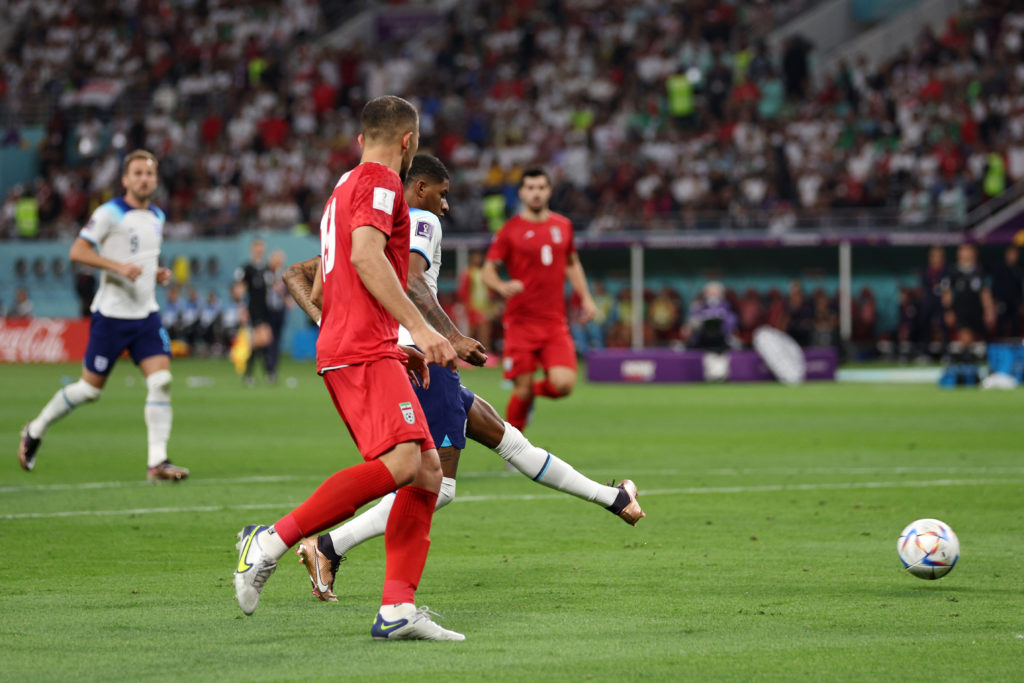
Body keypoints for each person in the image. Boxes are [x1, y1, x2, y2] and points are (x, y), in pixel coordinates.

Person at [282, 154, 645, 603]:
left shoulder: (369, 225)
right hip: (424, 359)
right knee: (439, 487)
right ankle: (328, 546)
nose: (446, 206)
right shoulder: (418, 222)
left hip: (404, 356)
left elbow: (296, 273)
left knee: (508, 440)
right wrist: (450, 337)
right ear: (419, 189)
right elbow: (414, 281)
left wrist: (326, 322)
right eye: (443, 193)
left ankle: (613, 499)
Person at [232, 96, 465, 641]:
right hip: (361, 346)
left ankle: (397, 609)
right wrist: (424, 331)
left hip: (362, 342)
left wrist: (395, 342)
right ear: (408, 142)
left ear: (362, 138)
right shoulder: (382, 183)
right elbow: (364, 258)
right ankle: (269, 540)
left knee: (427, 472)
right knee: (407, 463)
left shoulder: (343, 188)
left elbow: (331, 279)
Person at [17, 150, 188, 482]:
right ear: (125, 179)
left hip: (146, 316)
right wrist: (118, 268)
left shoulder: (157, 216)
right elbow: (78, 251)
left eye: (149, 173)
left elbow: (141, 258)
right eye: (137, 173)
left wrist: (157, 274)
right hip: (111, 316)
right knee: (89, 390)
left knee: (162, 381)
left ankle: (158, 463)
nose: (144, 178)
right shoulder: (109, 213)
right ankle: (35, 429)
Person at [481, 169, 598, 431]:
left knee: (564, 385)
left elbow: (572, 263)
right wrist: (501, 285)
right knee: (520, 390)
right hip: (520, 321)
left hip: (554, 322)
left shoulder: (563, 226)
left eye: (541, 187)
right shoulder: (510, 230)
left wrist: (587, 298)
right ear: (521, 193)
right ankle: (515, 449)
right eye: (530, 188)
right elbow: (487, 271)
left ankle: (530, 396)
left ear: (549, 191)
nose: (536, 193)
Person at [941, 243, 994, 360]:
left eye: (969, 250)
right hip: (961, 310)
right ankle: (966, 358)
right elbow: (947, 294)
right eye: (963, 250)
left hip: (977, 309)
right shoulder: (952, 271)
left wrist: (989, 310)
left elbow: (985, 292)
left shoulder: (980, 271)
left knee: (983, 337)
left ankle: (982, 359)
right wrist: (948, 310)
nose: (966, 253)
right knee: (965, 335)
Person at [234, 239, 273, 384]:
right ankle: (267, 373)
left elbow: (272, 288)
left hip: (265, 309)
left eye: (261, 246)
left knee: (261, 342)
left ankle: (251, 374)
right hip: (254, 309)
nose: (260, 249)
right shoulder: (247, 268)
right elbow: (239, 289)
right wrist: (241, 309)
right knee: (261, 340)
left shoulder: (266, 269)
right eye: (257, 247)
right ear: (252, 249)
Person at [264, 249, 288, 382]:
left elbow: (289, 288)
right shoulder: (266, 272)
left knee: (277, 341)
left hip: (280, 311)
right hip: (268, 311)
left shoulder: (283, 272)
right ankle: (267, 368)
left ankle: (273, 370)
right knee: (267, 341)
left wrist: (287, 297)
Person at [990, 245, 1022, 338]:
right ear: (1006, 255)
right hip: (1001, 302)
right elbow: (994, 286)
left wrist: (1020, 303)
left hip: (1015, 303)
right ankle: (1000, 346)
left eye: (1015, 254)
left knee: (1015, 325)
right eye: (1011, 254)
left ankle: (1015, 347)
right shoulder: (999, 269)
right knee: (1001, 325)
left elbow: (1020, 289)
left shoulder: (1019, 270)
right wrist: (995, 302)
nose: (1013, 256)